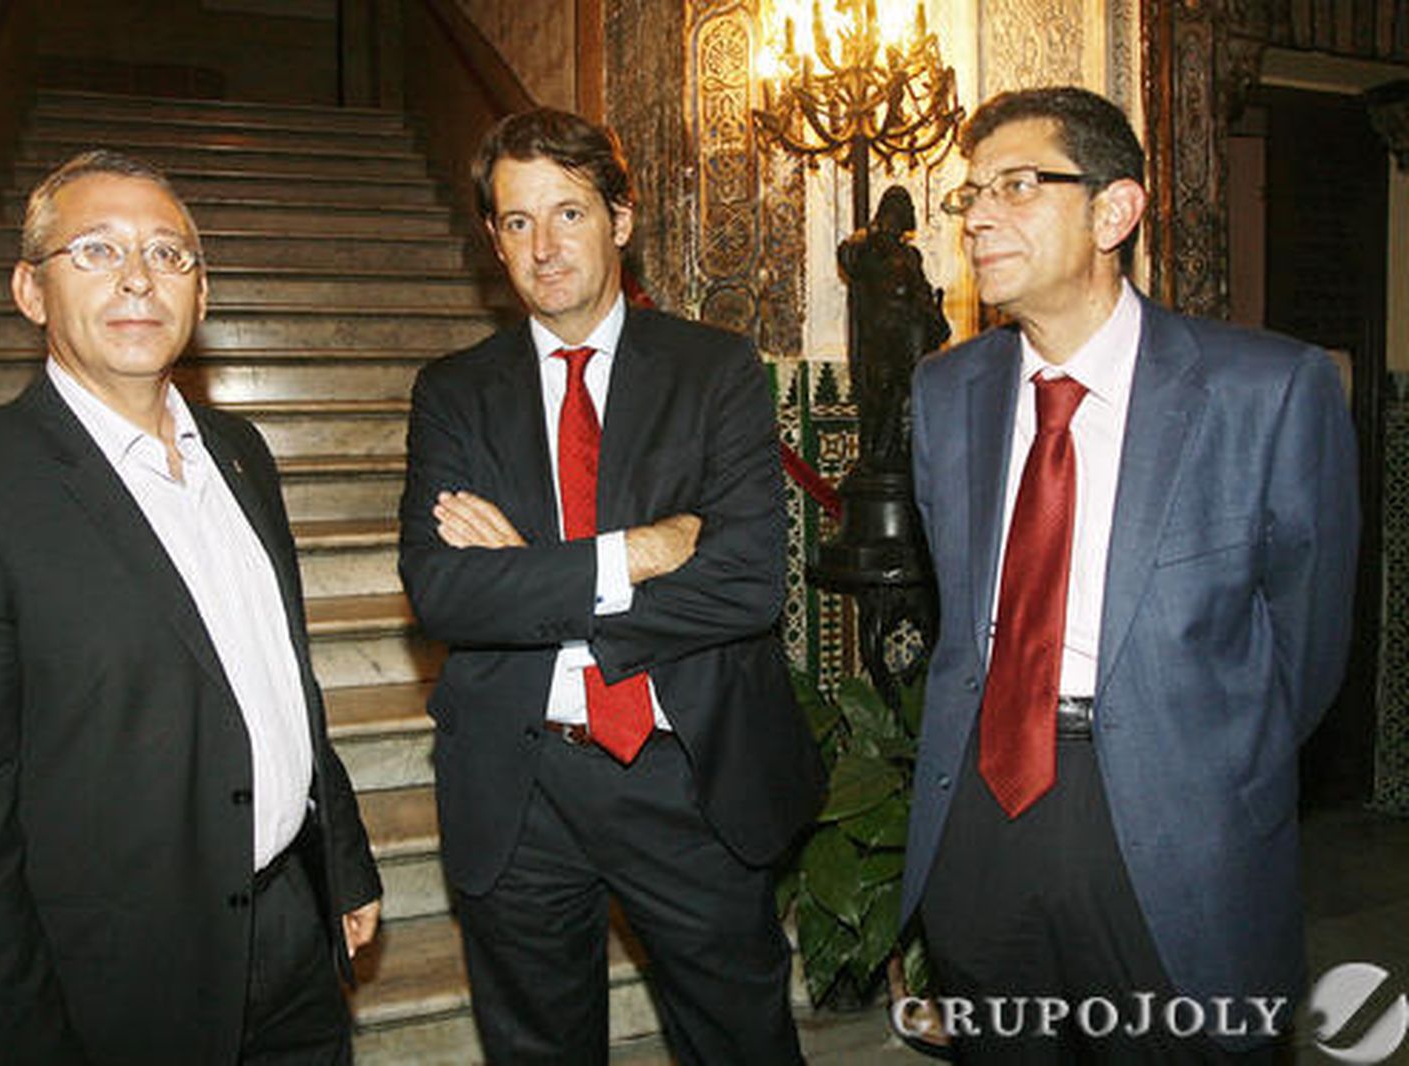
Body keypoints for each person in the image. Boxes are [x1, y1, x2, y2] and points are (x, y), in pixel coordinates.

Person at [0, 150, 382, 1066]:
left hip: (291, 934)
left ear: (201, 294)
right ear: (31, 290)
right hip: (119, 984)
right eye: (96, 250)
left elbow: (279, 679)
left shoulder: (242, 452)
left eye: (168, 254)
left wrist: (342, 863)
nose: (139, 277)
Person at [901, 86, 1359, 1062]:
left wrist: (1209, 760)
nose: (977, 216)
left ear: (1114, 211)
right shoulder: (946, 391)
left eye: (1018, 185)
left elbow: (1307, 649)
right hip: (983, 814)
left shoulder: (1266, 389)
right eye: (971, 193)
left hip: (1174, 822)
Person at [397, 108, 826, 1064]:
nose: (543, 248)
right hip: (519, 783)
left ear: (621, 219)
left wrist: (528, 577)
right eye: (517, 222)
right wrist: (629, 553)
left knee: (740, 1044)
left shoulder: (713, 369)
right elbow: (443, 593)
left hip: (687, 771)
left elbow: (747, 584)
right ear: (493, 240)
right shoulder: (454, 393)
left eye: (569, 214)